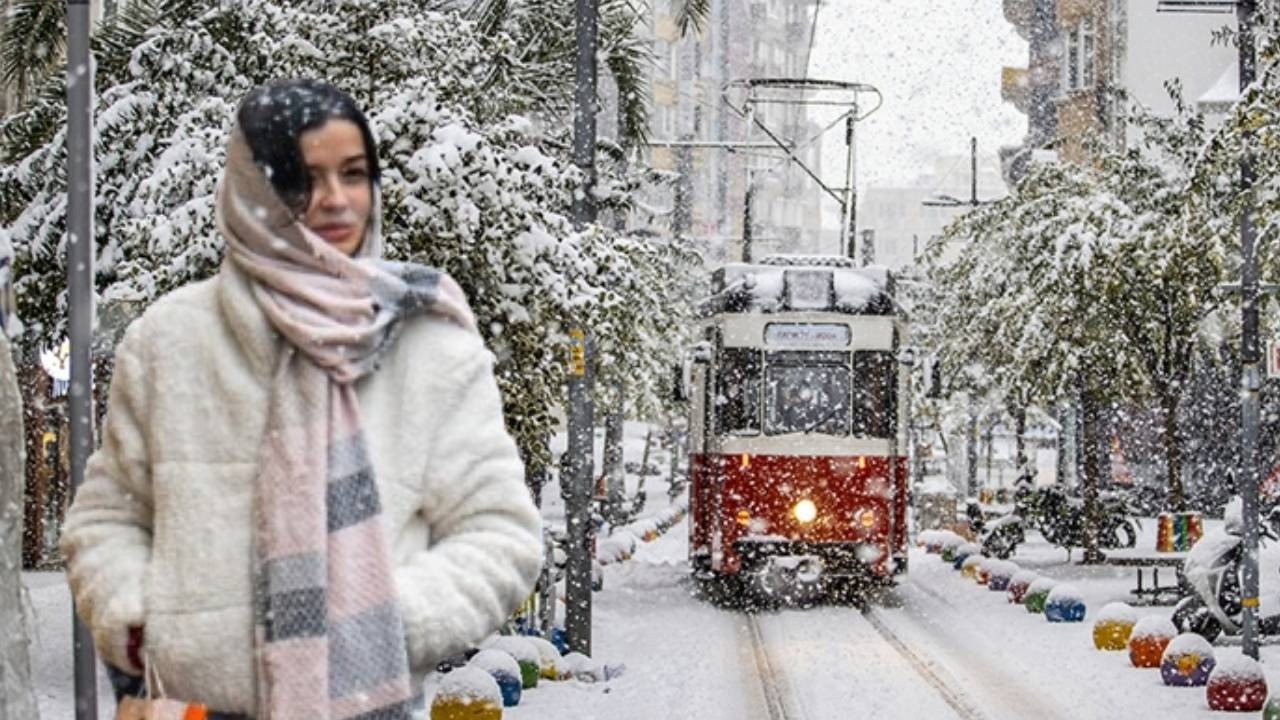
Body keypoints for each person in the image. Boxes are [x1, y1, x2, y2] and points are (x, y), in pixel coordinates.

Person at [59, 79, 544, 719]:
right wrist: (139, 620)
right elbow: (108, 519)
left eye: (354, 173)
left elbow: (500, 531)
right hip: (192, 710)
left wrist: (385, 621)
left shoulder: (425, 343)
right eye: (303, 177)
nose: (335, 200)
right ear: (253, 191)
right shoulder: (169, 342)